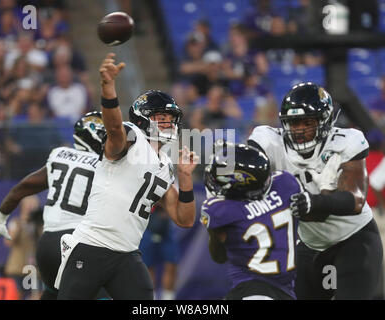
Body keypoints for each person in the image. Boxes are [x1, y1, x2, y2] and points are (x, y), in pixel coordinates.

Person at [55, 53, 198, 300]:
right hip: (92, 246)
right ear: (143, 119)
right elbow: (114, 129)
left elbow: (184, 219)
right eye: (160, 118)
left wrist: (185, 180)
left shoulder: (165, 164)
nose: (167, 124)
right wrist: (108, 89)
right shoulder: (132, 137)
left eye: (170, 119)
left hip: (127, 254)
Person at [247, 82, 383, 299]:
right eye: (294, 123)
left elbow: (356, 199)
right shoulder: (270, 141)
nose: (299, 130)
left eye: (307, 122)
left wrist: (317, 201)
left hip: (353, 239)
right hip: (310, 244)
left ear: (325, 121)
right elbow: (246, 163)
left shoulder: (346, 141)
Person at [0, 111, 106, 300]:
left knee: (52, 293)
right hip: (76, 242)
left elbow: (22, 188)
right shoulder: (106, 165)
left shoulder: (59, 155)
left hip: (47, 244)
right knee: (102, 293)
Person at [201, 142, 305, 299]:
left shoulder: (221, 210)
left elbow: (219, 257)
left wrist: (214, 233)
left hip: (251, 290)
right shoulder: (285, 184)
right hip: (285, 292)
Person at [139, 205, 180, 300]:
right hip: (147, 225)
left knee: (172, 265)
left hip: (167, 227)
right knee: (148, 268)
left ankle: (168, 298)